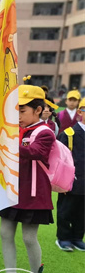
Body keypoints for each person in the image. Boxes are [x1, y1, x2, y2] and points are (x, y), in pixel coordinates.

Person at [0, 85, 55, 273]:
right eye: (15, 111)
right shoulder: (14, 130)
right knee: (5, 233)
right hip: (12, 190)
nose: (17, 116)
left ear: (38, 110)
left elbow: (36, 152)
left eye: (22, 111)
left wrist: (6, 143)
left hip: (33, 194)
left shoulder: (45, 131)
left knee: (29, 237)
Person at [55, 98, 85, 251]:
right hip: (71, 181)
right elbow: (59, 159)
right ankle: (64, 238)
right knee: (66, 210)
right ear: (80, 112)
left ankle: (78, 237)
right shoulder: (69, 134)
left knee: (82, 212)